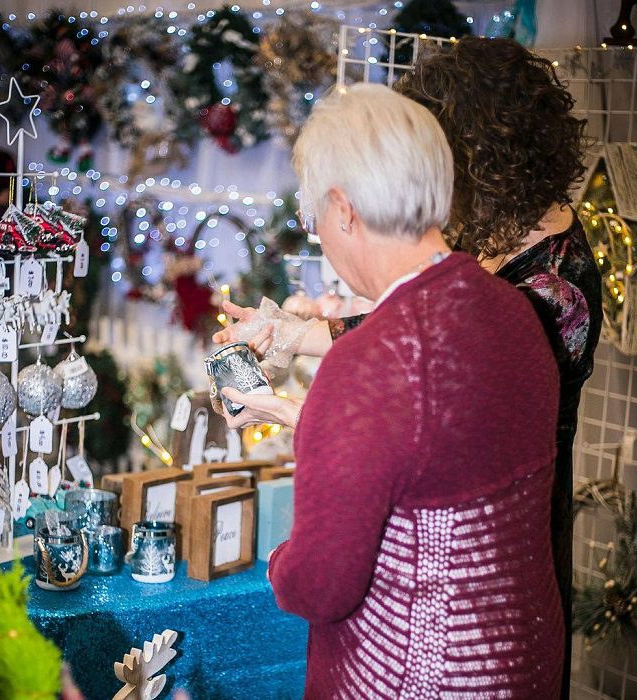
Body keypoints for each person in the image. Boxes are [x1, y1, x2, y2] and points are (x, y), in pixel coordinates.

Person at [215, 38, 602, 698]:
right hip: (519, 643)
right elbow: (428, 390)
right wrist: (298, 333)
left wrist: (281, 559)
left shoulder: (379, 361)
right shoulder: (509, 310)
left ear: (343, 209)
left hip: (420, 671)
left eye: (316, 217)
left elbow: (320, 584)